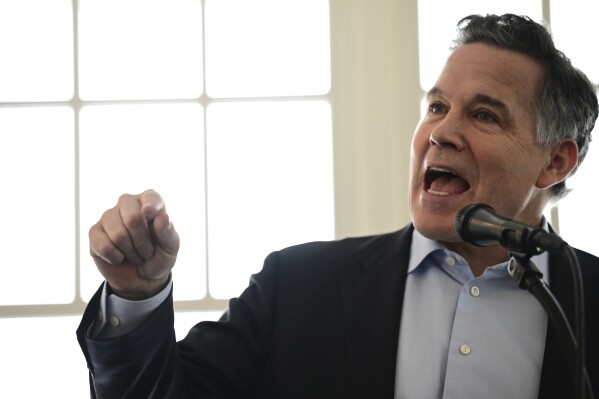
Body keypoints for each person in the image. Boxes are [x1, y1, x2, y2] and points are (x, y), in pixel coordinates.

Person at [77, 14, 599, 399]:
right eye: (437, 106)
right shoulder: (297, 286)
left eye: (484, 115)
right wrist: (137, 295)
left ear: (554, 161)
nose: (441, 132)